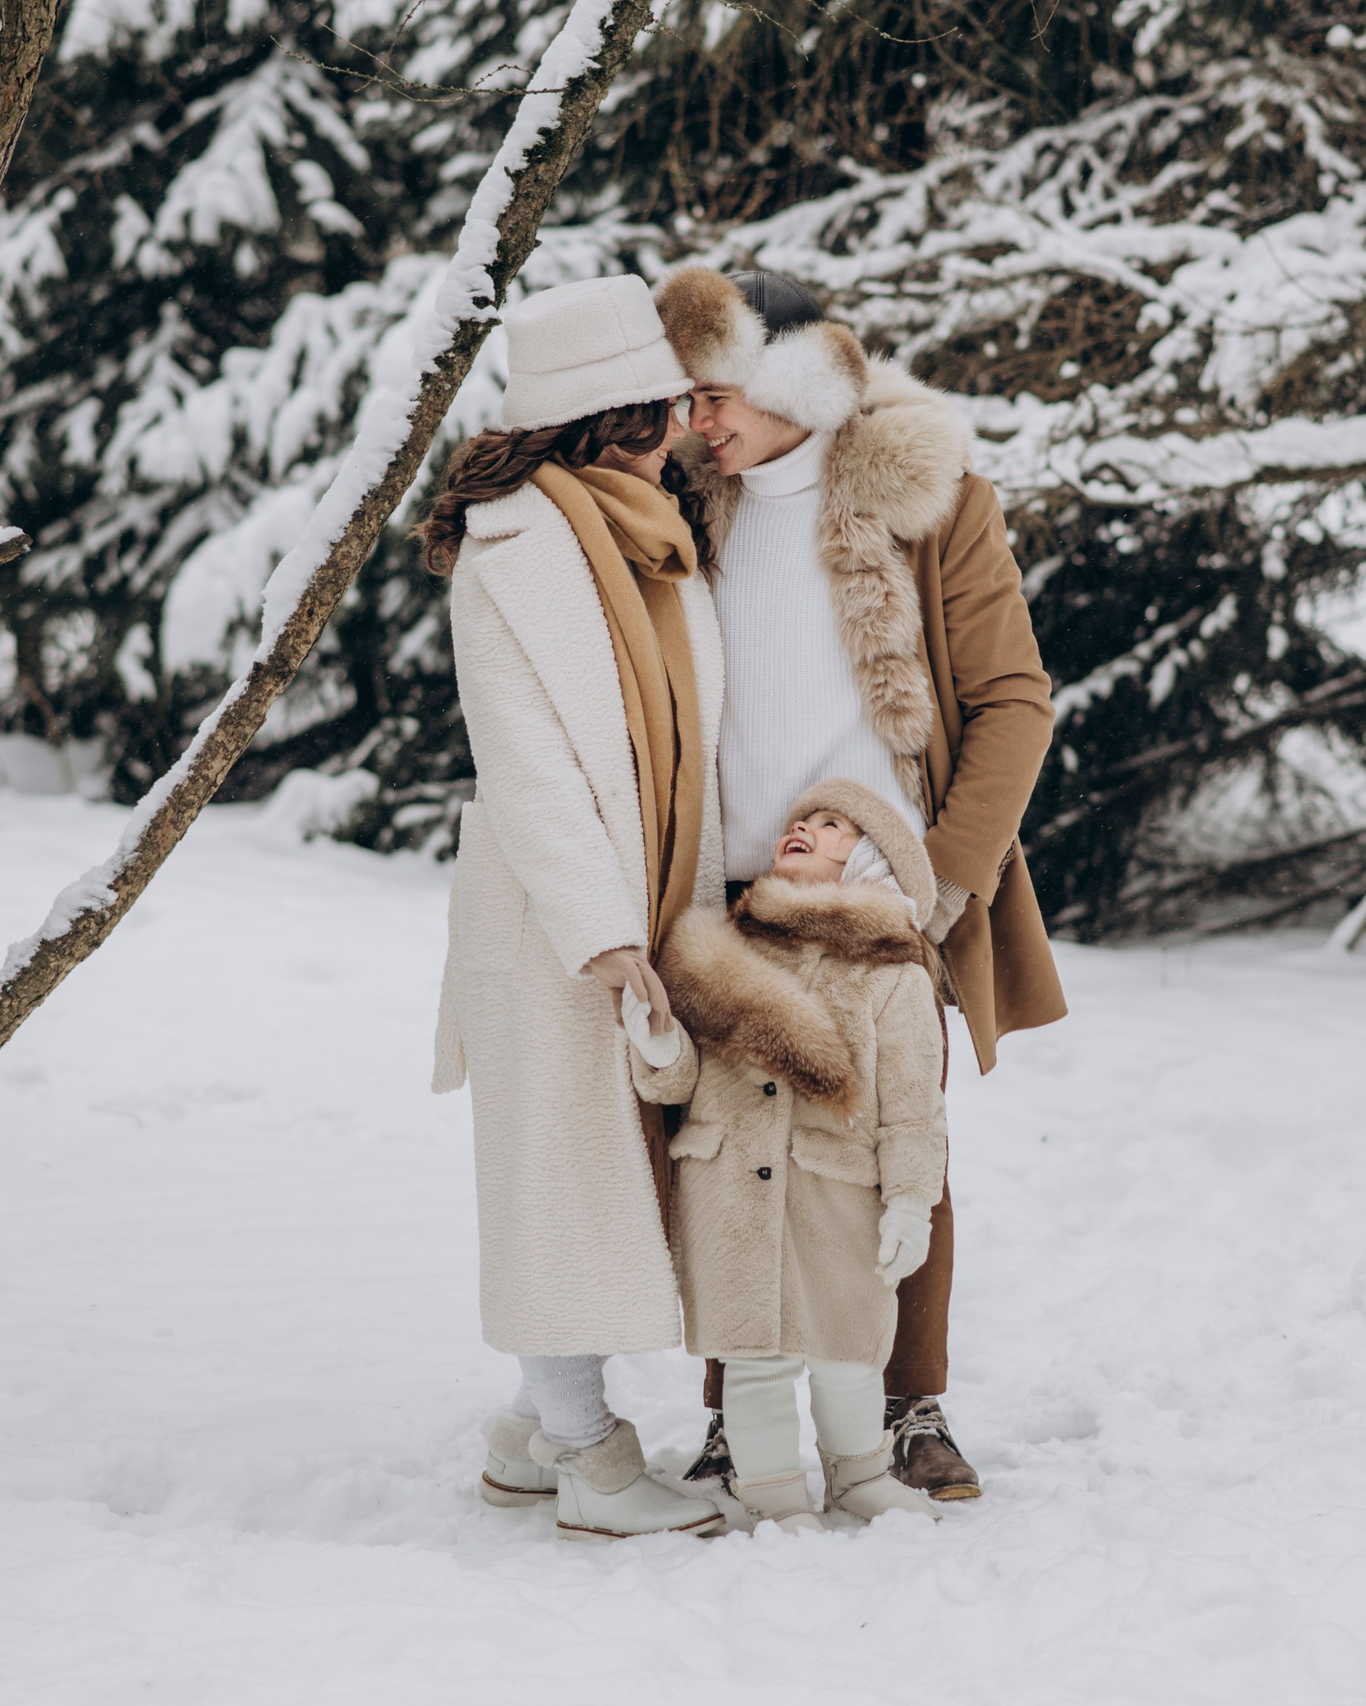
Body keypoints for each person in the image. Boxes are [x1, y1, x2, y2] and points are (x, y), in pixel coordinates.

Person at [651, 265, 1068, 1500]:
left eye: (716, 392)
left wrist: (938, 881)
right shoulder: (675, 508)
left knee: (895, 1152)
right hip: (723, 895)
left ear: (795, 381)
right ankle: (741, 1412)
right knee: (729, 1157)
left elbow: (1012, 702)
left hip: (882, 895)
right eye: (685, 395)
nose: (697, 419)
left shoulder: (930, 500)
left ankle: (908, 1404)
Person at [422, 275, 728, 1542]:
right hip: (557, 910)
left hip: (648, 888)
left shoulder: (654, 535)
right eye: (664, 415)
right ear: (612, 421)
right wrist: (601, 931)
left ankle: (529, 1436)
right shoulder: (516, 550)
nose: (686, 437)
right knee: (560, 1178)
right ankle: (591, 1455)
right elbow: (528, 756)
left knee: (605, 1173)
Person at [631, 781, 947, 1532]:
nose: (803, 829)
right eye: (799, 820)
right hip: (728, 1191)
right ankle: (769, 1490)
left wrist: (910, 1200)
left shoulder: (894, 976)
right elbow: (681, 1082)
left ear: (870, 861)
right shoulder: (717, 949)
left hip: (837, 1192)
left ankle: (860, 1474)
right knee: (754, 1359)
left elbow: (912, 1106)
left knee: (847, 1350)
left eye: (832, 826)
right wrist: (658, 1044)